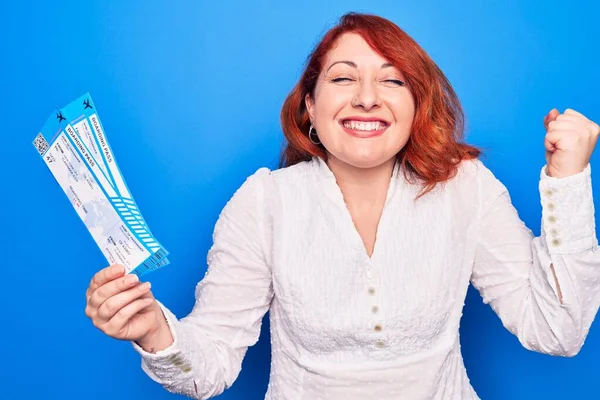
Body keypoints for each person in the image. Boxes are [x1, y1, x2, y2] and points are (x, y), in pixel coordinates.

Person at [84, 12, 600, 400]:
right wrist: (154, 330)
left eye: (392, 80)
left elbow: (557, 330)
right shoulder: (265, 202)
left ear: (416, 106)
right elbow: (210, 367)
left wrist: (568, 181)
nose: (368, 98)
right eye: (343, 78)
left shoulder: (465, 188)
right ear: (310, 106)